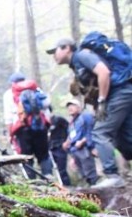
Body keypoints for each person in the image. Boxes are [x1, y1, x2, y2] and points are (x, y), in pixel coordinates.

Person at [47, 37, 132, 188]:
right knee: (123, 138)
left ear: (67, 48)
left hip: (119, 94)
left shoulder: (82, 56)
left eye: (56, 51)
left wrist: (101, 101)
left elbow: (103, 72)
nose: (54, 55)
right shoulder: (76, 64)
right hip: (121, 94)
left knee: (100, 133)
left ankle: (113, 176)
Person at [9, 79, 53, 179]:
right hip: (40, 127)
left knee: (26, 156)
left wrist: (10, 134)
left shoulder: (11, 94)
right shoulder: (37, 91)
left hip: (22, 128)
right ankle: (48, 178)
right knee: (44, 155)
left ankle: (31, 180)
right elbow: (47, 109)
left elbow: (9, 117)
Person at [62, 98, 98, 186]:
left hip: (84, 148)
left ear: (79, 107)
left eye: (73, 106)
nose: (70, 108)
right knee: (83, 174)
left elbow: (92, 130)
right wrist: (66, 143)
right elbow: (71, 136)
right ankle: (90, 193)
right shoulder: (71, 123)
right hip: (75, 151)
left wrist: (83, 141)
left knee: (90, 173)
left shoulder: (85, 117)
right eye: (69, 107)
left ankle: (96, 189)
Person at [49, 113, 71, 186]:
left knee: (62, 169)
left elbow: (69, 128)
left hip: (60, 147)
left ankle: (67, 187)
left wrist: (67, 141)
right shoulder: (42, 122)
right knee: (54, 170)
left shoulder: (58, 119)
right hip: (51, 148)